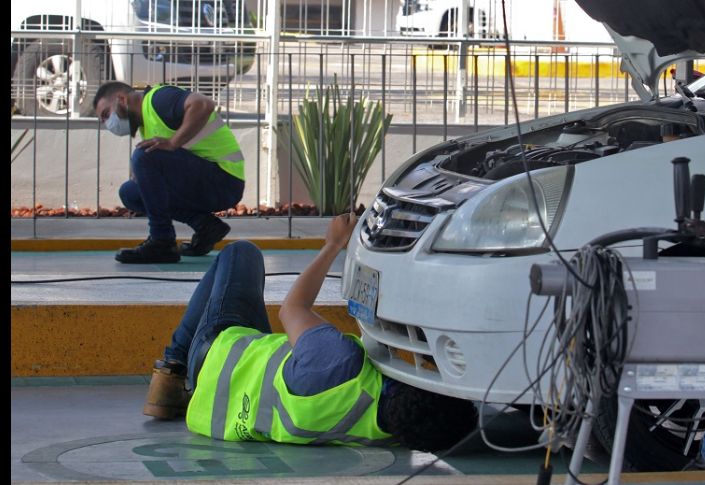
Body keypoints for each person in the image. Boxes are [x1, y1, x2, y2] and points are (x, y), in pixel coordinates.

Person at [143, 214, 478, 452]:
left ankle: (172, 368)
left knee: (240, 253)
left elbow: (292, 309)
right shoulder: (384, 433)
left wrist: (332, 245)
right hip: (218, 409)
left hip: (216, 356)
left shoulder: (339, 364)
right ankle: (174, 380)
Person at [93, 81, 245, 264]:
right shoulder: (146, 125)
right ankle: (206, 226)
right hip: (209, 183)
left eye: (106, 114)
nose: (108, 123)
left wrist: (173, 142)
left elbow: (204, 104)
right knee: (131, 192)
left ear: (121, 99)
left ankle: (161, 241)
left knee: (143, 155)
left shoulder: (158, 99)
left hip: (224, 179)